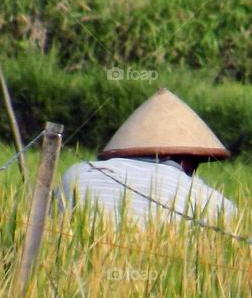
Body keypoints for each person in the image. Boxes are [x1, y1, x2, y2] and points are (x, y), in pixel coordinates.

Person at [58, 88, 237, 225]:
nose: (192, 172)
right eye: (192, 163)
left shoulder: (75, 174)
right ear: (171, 155)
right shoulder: (214, 203)